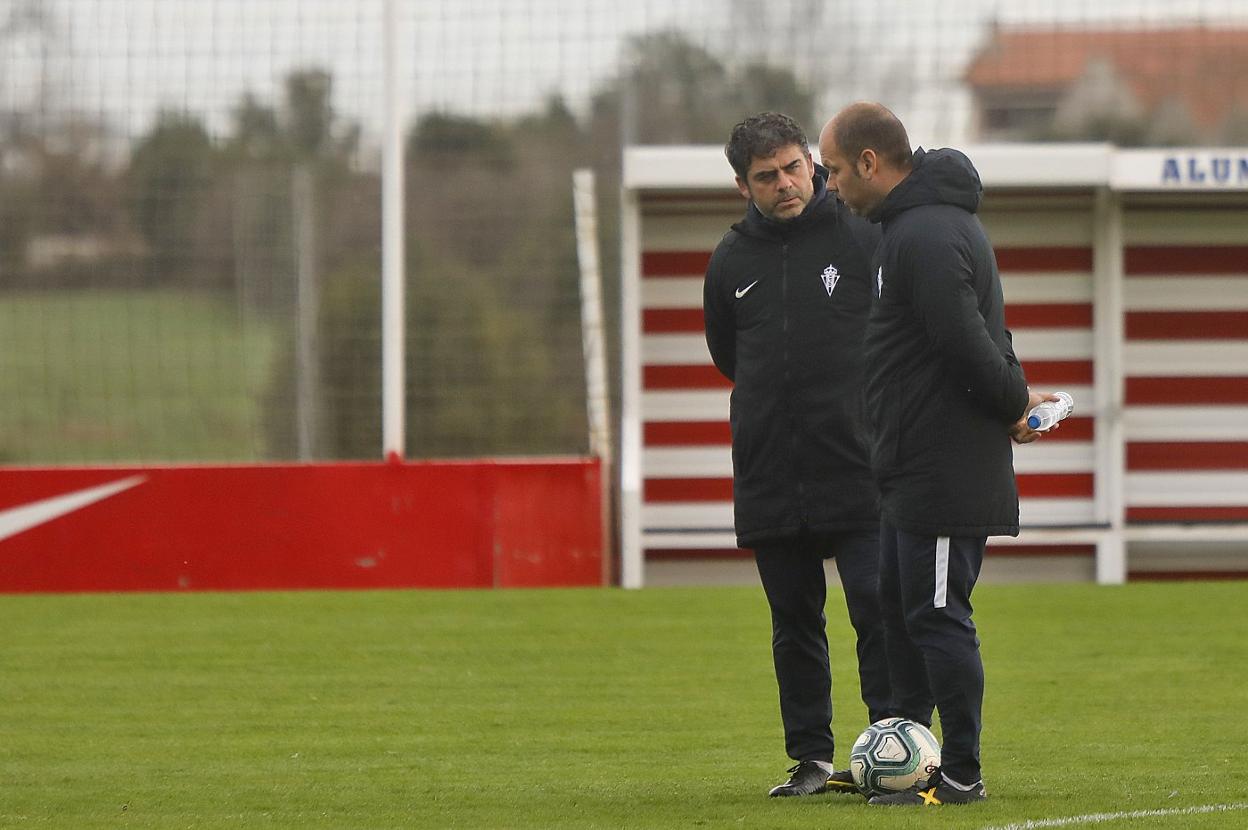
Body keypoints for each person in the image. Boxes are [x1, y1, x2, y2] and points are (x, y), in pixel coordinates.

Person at [817, 102, 1055, 807]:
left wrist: (1015, 404)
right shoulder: (909, 230)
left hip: (947, 471)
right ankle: (908, 757)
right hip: (908, 470)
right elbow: (979, 330)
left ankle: (960, 774)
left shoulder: (924, 232)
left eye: (832, 170)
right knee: (900, 610)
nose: (830, 186)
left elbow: (968, 340)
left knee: (938, 615)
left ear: (869, 163)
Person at [703, 111, 891, 798]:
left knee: (876, 606)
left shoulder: (864, 235)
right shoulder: (731, 261)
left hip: (858, 463)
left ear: (811, 161)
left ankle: (891, 750)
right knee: (794, 624)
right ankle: (811, 759)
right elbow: (730, 356)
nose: (784, 184)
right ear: (741, 186)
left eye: (792, 167)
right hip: (770, 471)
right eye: (765, 176)